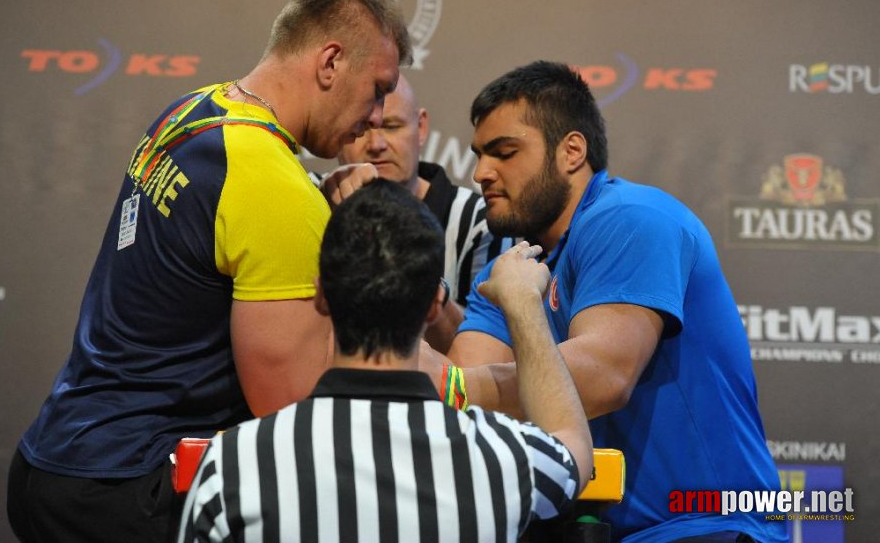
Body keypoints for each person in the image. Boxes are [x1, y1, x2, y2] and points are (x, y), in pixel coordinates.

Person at [7, 0, 411, 543]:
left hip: (53, 461)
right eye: (377, 88)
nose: (375, 115)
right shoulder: (271, 185)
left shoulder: (198, 111)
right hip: (130, 486)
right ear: (330, 63)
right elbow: (293, 417)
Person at [446, 61, 787, 542]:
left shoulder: (632, 219)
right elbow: (463, 396)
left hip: (703, 527)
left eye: (504, 152)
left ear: (571, 151)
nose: (481, 173)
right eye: (479, 154)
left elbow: (601, 377)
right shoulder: (508, 269)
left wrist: (452, 387)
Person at [178, 180, 594, 543]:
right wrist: (523, 305)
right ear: (434, 306)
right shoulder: (499, 456)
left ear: (322, 295)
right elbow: (573, 448)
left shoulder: (234, 464)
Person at [329, 74, 512, 349]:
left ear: (421, 126)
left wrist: (409, 262)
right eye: (362, 128)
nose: (376, 144)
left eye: (391, 126)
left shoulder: (479, 221)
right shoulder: (316, 203)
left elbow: (486, 352)